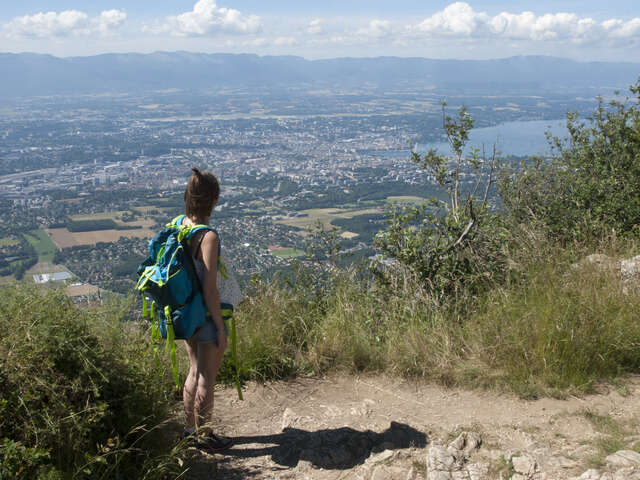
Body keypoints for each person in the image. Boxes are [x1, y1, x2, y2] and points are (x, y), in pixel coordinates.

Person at [180, 167, 233, 452]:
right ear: (213, 200)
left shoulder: (180, 225)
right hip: (204, 316)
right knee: (206, 378)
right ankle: (206, 435)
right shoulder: (208, 236)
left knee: (193, 370)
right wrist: (220, 327)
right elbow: (210, 289)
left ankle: (189, 430)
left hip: (186, 313)